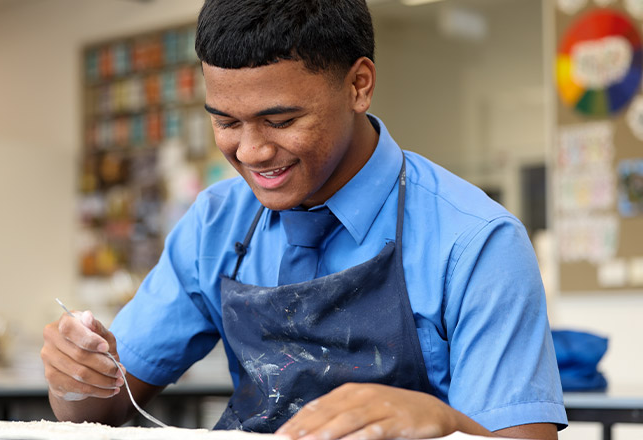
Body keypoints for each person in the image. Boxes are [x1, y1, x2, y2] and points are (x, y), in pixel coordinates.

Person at [40, 0, 567, 438]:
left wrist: (446, 425)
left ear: (359, 85)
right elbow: (102, 411)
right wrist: (79, 378)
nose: (250, 151)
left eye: (281, 120)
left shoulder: (475, 242)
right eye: (226, 122)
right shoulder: (215, 223)